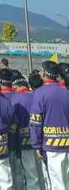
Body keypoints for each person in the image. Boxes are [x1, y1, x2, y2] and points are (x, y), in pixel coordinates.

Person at [29, 60, 69, 188]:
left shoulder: (39, 93)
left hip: (52, 146)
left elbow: (35, 122)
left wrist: (36, 144)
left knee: (57, 183)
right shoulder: (66, 92)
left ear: (45, 74)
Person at [11, 74, 43, 190]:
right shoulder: (36, 95)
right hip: (40, 139)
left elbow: (14, 123)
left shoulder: (15, 99)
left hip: (24, 141)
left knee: (31, 175)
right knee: (42, 173)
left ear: (15, 86)